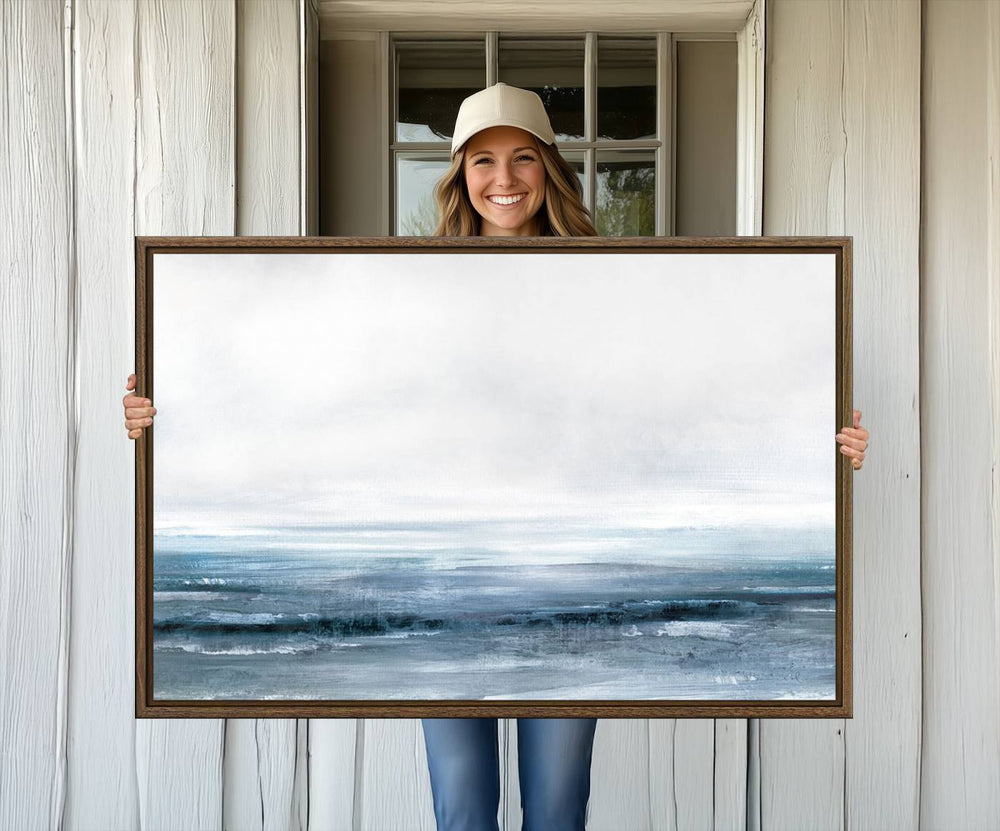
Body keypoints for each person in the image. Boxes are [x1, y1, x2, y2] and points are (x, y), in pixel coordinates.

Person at [122, 83, 870, 831]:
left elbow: (696, 395)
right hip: (438, 578)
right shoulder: (411, 289)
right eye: (483, 160)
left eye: (522, 159)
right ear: (458, 174)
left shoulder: (618, 281)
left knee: (556, 809)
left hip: (570, 577)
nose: (503, 180)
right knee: (462, 810)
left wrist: (816, 442)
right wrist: (169, 416)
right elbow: (317, 393)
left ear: (549, 169)